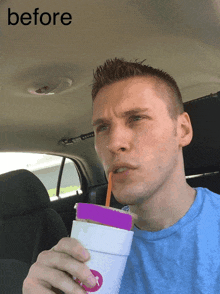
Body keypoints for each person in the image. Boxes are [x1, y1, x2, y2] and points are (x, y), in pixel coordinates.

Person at [22, 58, 220, 293]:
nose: (114, 144)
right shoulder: (85, 248)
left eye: (136, 118)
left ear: (183, 130)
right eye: (103, 127)